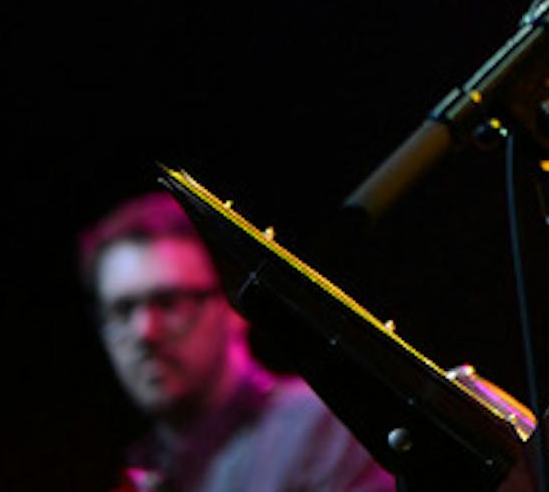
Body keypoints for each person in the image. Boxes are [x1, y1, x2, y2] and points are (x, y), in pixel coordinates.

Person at [80, 191, 393, 492]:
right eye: (121, 311)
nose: (144, 332)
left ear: (232, 304)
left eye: (169, 303)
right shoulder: (148, 464)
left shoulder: (321, 429)